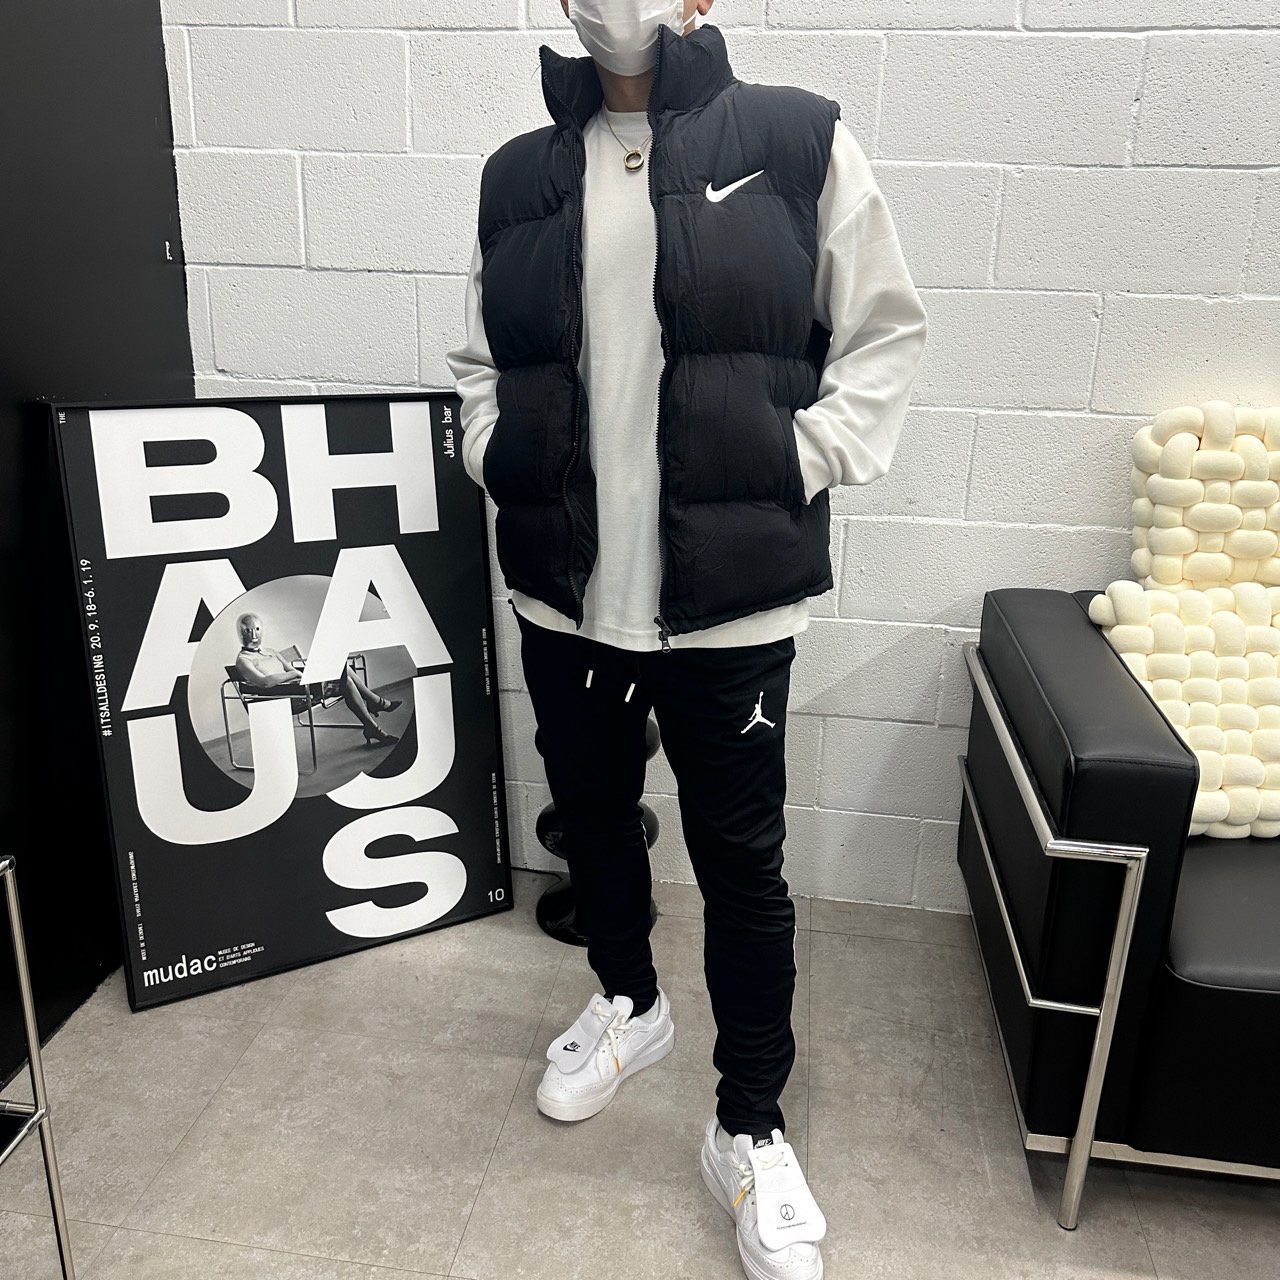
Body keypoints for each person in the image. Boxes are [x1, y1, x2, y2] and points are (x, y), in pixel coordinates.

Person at [446, 3, 927, 1276]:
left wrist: (796, 457)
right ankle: (629, 1000)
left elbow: (883, 330)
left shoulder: (796, 138)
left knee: (741, 869)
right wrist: (493, 450)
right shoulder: (517, 174)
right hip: (567, 592)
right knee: (594, 822)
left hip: (730, 599)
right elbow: (481, 359)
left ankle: (748, 1122)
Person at [233, 612, 401, 746]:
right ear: (241, 633)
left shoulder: (271, 651)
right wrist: (294, 675)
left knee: (342, 669)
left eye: (256, 629)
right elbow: (265, 682)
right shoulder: (243, 660)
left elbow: (291, 669)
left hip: (300, 688)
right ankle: (375, 705)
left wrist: (306, 673)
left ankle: (372, 722)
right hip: (286, 698)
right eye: (248, 630)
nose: (253, 634)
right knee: (345, 676)